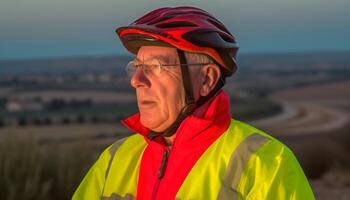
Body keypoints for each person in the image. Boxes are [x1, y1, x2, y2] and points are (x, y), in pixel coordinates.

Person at [73, 6, 315, 200]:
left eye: (155, 67)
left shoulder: (267, 163)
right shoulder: (115, 158)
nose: (136, 80)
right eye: (137, 67)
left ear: (207, 79)